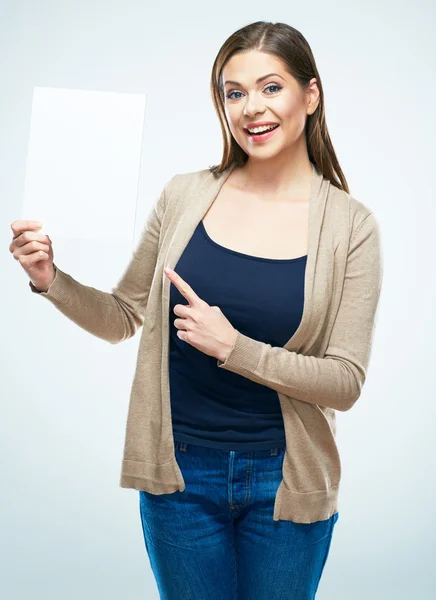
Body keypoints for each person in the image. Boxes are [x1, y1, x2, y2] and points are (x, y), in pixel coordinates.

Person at [10, 20, 383, 600]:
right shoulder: (184, 195)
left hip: (285, 482)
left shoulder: (351, 225)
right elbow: (122, 316)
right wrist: (50, 279)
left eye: (271, 87)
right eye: (234, 93)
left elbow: (346, 382)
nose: (251, 108)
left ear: (310, 96)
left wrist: (235, 349)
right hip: (179, 477)